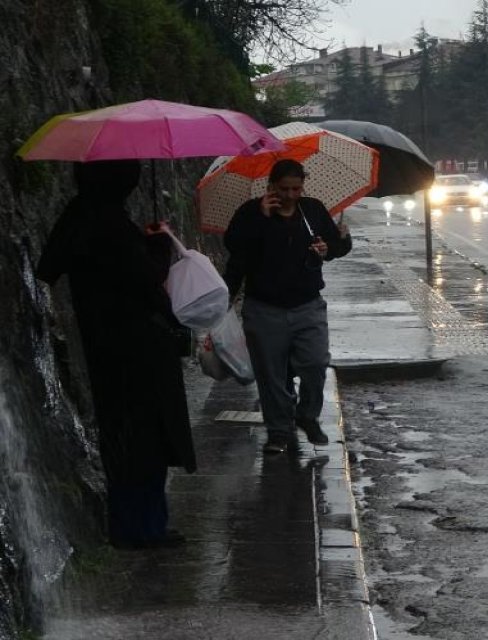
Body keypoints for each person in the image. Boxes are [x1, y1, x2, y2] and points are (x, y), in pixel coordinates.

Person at [36, 159, 196, 550]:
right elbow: (144, 277)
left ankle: (130, 523)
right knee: (148, 440)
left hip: (102, 346)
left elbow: (50, 267)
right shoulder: (110, 222)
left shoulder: (78, 215)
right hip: (139, 347)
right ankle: (144, 527)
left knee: (121, 437)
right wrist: (158, 245)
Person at [223, 159, 352, 454]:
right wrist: (261, 219)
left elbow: (336, 247)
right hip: (264, 308)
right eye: (284, 189)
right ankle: (279, 431)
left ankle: (307, 415)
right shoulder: (251, 213)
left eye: (297, 188)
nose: (291, 195)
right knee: (272, 376)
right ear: (271, 186)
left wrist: (333, 245)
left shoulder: (313, 210)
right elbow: (235, 251)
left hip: (308, 305)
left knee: (316, 363)